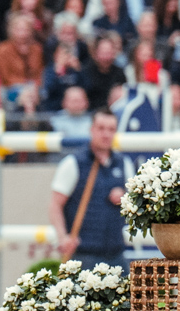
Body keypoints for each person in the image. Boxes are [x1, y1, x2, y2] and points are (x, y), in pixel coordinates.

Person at [50, 109, 135, 270]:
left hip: (116, 253)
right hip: (83, 255)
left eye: (111, 129)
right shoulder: (73, 163)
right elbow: (55, 204)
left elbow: (134, 205)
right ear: (91, 129)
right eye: (101, 128)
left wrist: (125, 198)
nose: (106, 134)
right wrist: (63, 238)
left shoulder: (124, 163)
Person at [0, 14, 46, 111]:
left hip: (34, 88)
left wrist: (34, 86)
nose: (22, 33)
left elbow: (39, 74)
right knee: (26, 96)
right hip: (11, 89)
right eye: (19, 30)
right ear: (11, 30)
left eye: (25, 30)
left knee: (35, 94)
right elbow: (6, 78)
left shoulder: (36, 49)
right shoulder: (3, 49)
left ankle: (28, 117)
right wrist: (25, 87)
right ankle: (31, 117)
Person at [82, 34, 127, 111]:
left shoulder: (119, 72)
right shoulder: (85, 71)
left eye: (109, 52)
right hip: (91, 110)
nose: (106, 56)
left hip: (114, 110)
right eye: (103, 52)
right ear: (95, 53)